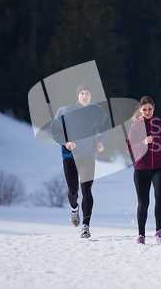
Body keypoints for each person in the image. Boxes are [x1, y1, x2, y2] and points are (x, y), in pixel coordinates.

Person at [50, 83, 110, 238]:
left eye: (87, 93)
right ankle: (74, 209)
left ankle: (86, 226)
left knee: (87, 190)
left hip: (88, 155)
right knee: (73, 191)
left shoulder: (97, 111)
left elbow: (105, 124)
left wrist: (100, 140)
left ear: (91, 96)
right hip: (69, 156)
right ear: (78, 96)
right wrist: (65, 142)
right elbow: (54, 128)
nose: (85, 96)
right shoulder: (65, 111)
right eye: (82, 93)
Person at [126, 96, 161, 244]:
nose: (147, 112)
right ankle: (141, 235)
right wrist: (143, 142)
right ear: (140, 110)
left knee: (160, 196)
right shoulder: (135, 127)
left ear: (154, 109)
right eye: (144, 109)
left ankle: (159, 232)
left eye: (150, 109)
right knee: (143, 202)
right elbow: (129, 149)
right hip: (141, 169)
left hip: (160, 167)